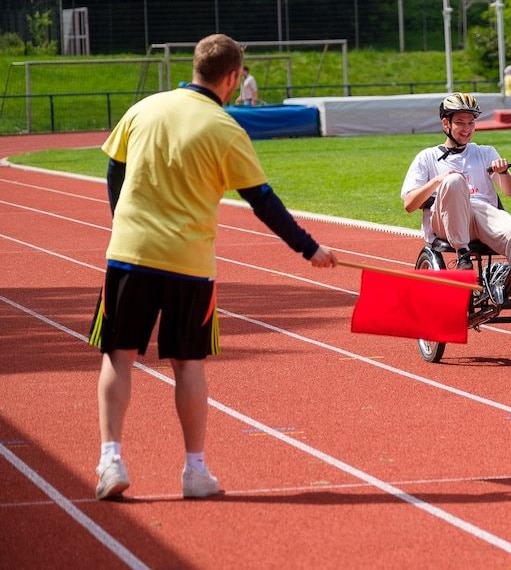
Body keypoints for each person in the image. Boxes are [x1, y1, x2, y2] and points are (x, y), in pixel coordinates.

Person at [89, 34, 339, 501]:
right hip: (189, 263)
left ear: (196, 65)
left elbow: (114, 172)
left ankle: (110, 460)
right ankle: (194, 471)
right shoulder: (225, 129)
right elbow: (263, 203)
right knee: (188, 365)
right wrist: (309, 249)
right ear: (233, 77)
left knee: (118, 356)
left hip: (129, 254)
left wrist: (122, 223)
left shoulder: (145, 108)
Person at [401, 93, 511, 334]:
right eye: (460, 123)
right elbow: (410, 204)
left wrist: (503, 173)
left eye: (471, 123)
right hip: (447, 219)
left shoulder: (484, 152)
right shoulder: (427, 157)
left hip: (483, 214)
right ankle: (463, 258)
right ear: (446, 124)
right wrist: (439, 180)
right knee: (453, 181)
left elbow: (510, 192)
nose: (466, 129)